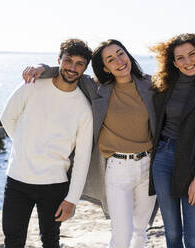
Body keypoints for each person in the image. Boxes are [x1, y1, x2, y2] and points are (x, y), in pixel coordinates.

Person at [23, 39, 157, 248]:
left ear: (128, 55)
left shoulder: (150, 84)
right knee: (122, 234)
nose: (119, 61)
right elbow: (68, 72)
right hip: (117, 169)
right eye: (110, 59)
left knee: (140, 230)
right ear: (105, 67)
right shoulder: (96, 88)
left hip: (148, 167)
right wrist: (43, 67)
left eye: (121, 54)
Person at [0, 38, 93, 248]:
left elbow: (83, 158)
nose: (72, 68)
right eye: (68, 61)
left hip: (54, 185)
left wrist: (72, 200)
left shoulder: (84, 109)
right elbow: (7, 117)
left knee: (51, 242)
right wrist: (26, 146)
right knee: (13, 241)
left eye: (79, 64)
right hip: (17, 180)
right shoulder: (31, 87)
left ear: (85, 68)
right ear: (58, 60)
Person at [149, 33, 195, 248]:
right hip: (162, 158)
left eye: (192, 55)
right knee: (171, 233)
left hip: (193, 163)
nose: (188, 62)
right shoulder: (164, 83)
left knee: (193, 238)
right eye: (180, 58)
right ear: (173, 62)